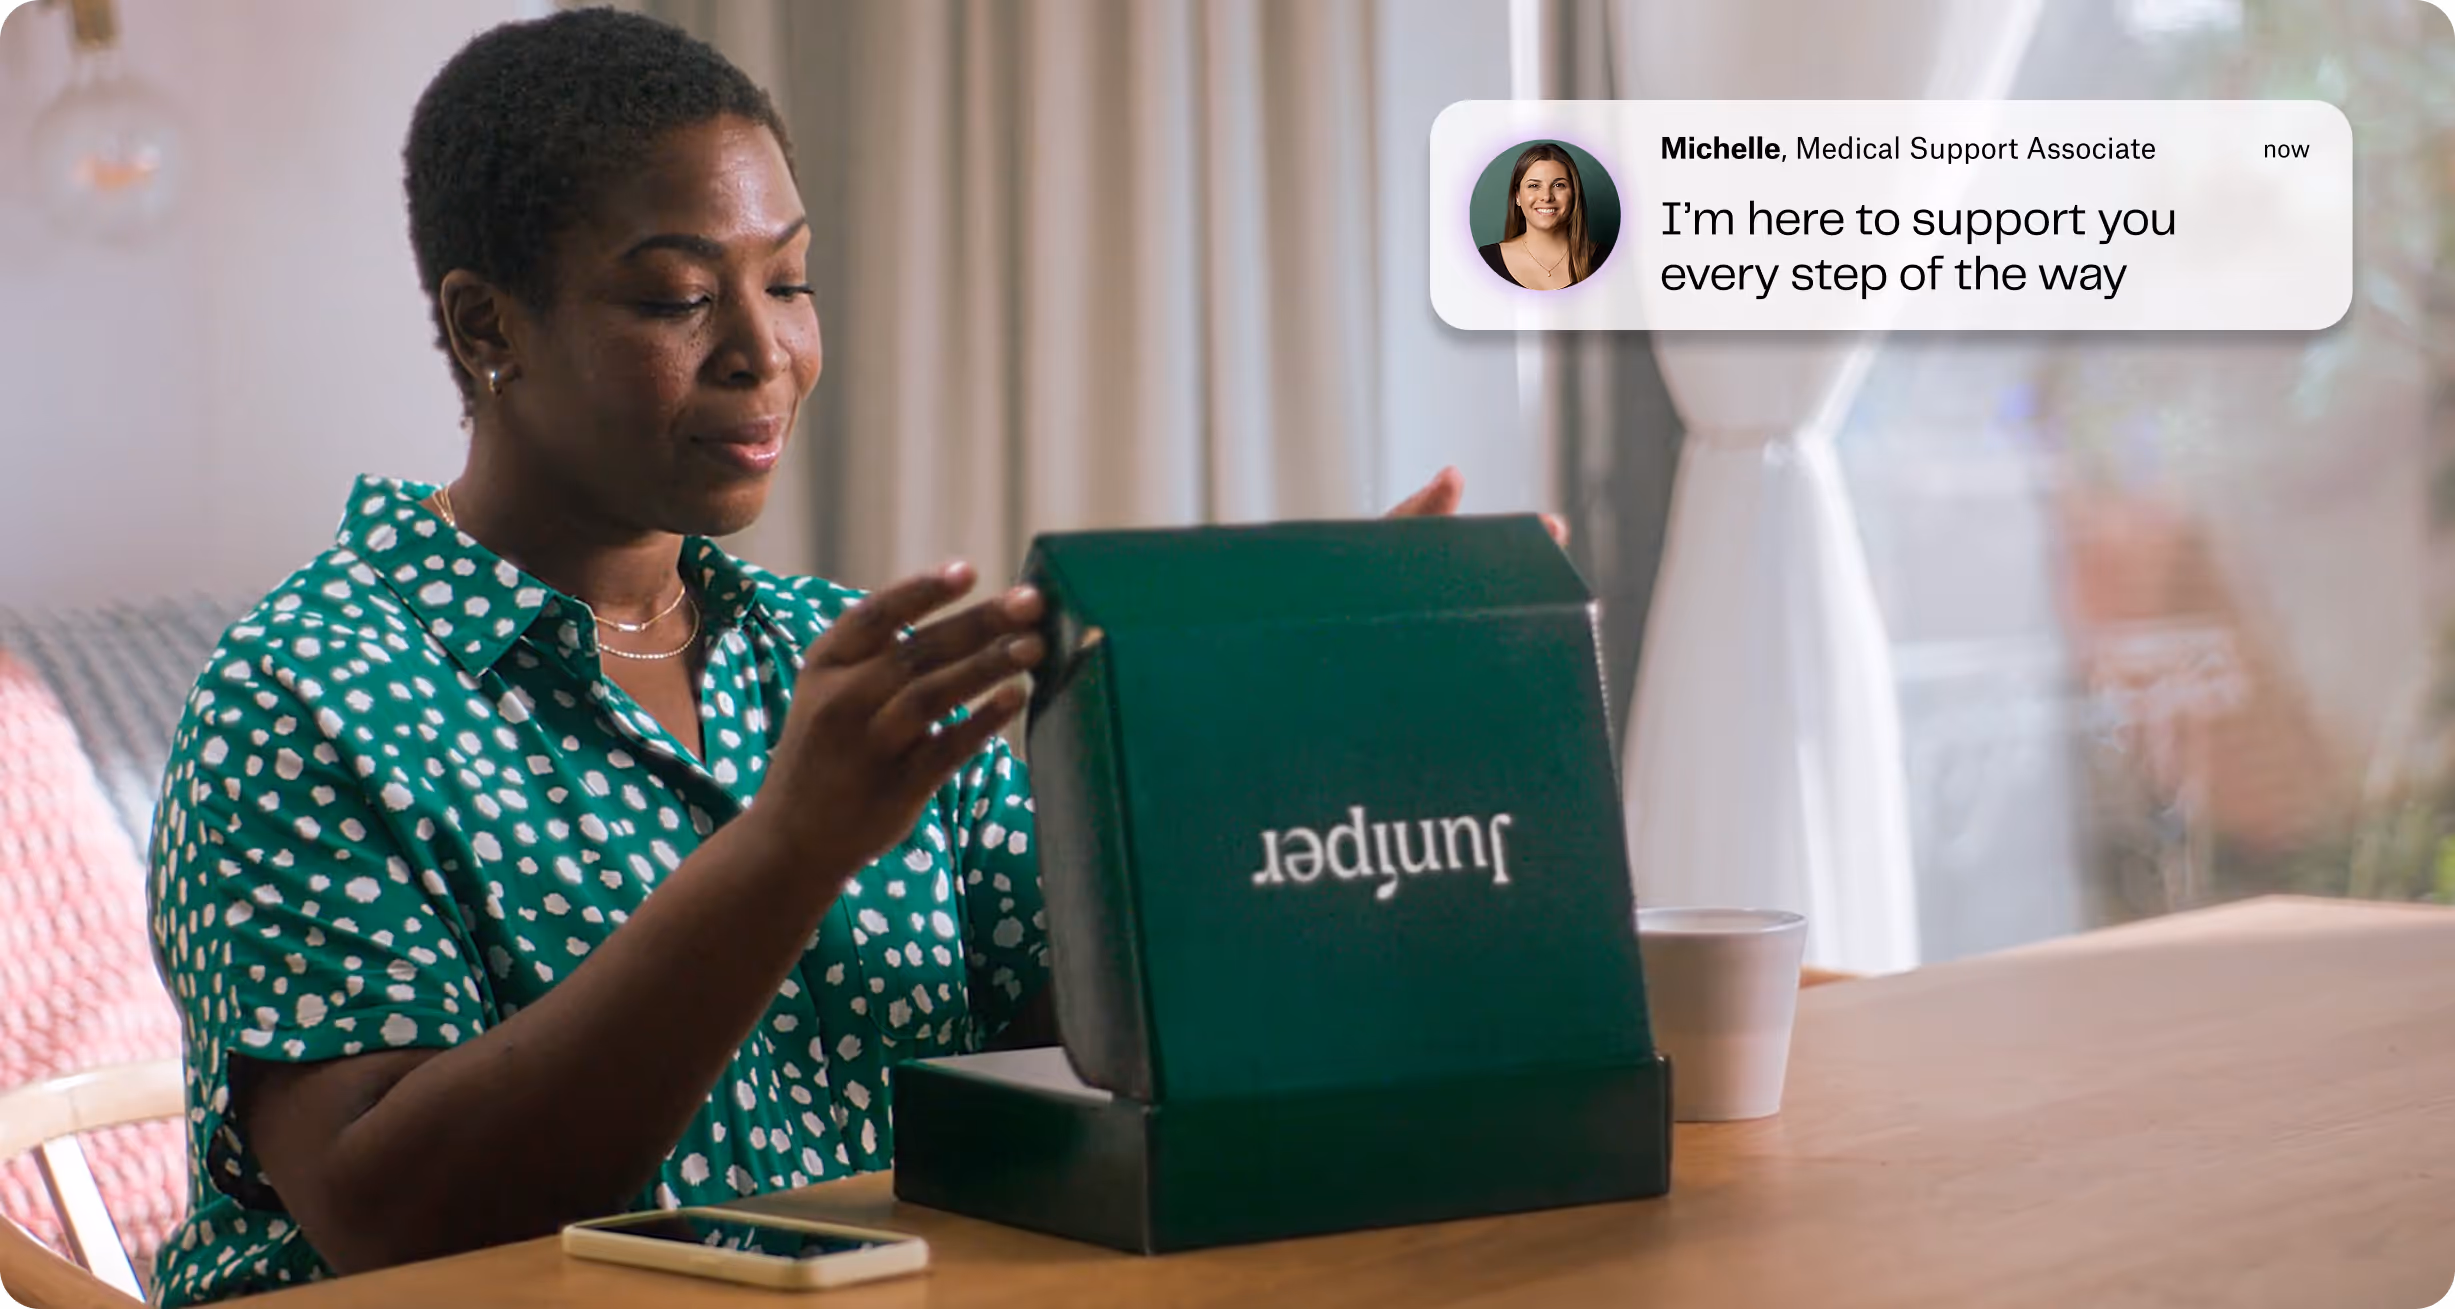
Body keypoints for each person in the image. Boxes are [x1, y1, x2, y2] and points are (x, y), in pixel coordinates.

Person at [142, 10, 1556, 1305]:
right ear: (485, 326)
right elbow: (398, 1222)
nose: (767, 353)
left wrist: (1301, 715)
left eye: (791, 280)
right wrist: (790, 845)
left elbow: (1084, 1031)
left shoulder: (823, 657)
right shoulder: (301, 698)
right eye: (678, 298)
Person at [1478, 143, 1613, 291]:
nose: (1547, 197)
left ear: (1574, 195)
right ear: (1517, 196)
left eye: (1559, 185)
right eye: (1534, 186)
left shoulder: (1607, 260)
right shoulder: (1484, 261)